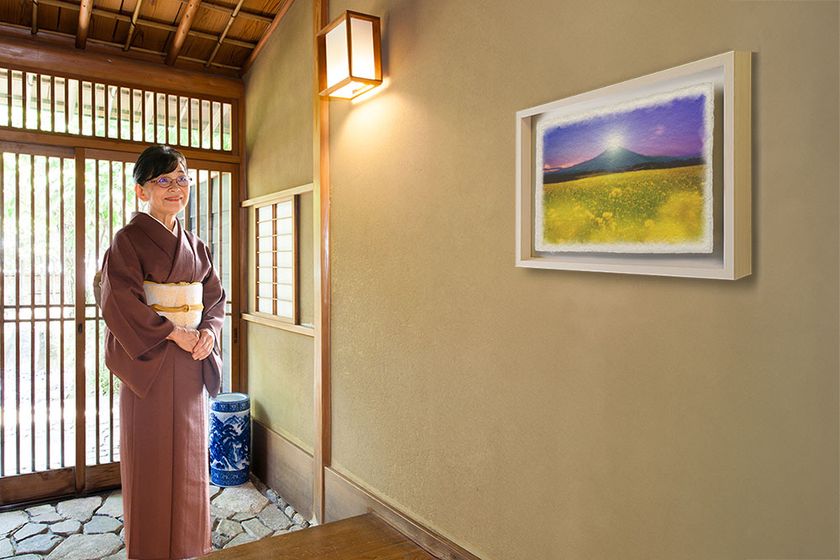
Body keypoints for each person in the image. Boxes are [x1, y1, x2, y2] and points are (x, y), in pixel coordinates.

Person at [100, 145, 225, 559]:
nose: (176, 188)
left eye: (182, 179)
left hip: (190, 363)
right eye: (164, 180)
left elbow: (215, 299)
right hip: (150, 364)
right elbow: (119, 300)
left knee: (190, 459)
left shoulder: (196, 246)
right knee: (149, 459)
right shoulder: (128, 241)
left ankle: (191, 547)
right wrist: (173, 333)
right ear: (142, 191)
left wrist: (208, 332)